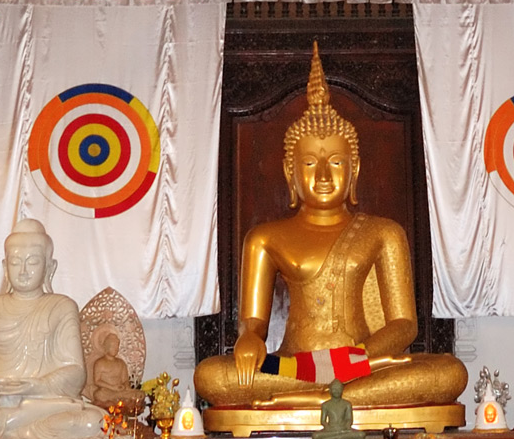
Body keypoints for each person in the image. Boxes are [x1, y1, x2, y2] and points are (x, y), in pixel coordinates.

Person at [193, 47, 466, 412]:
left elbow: (404, 325)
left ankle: (319, 399)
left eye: (336, 162)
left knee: (449, 372)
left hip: (362, 365)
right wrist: (249, 339)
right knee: (211, 376)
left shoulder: (384, 233)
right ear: (291, 172)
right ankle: (328, 397)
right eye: (309, 162)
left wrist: (353, 362)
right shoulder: (265, 238)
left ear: (354, 171)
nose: (322, 175)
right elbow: (254, 323)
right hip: (292, 367)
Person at [0, 221, 105, 439]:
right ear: (5, 267)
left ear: (49, 267)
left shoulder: (61, 306)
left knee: (92, 421)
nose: (24, 271)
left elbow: (75, 373)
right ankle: (15, 432)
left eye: (33, 262)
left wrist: (36, 385)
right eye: (15, 263)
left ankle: (8, 432)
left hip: (42, 406)